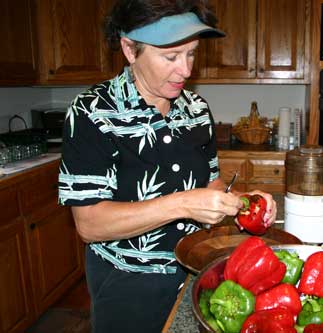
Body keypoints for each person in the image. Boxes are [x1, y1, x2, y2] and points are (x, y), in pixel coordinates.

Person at [57, 1, 277, 332]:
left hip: (195, 271)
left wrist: (245, 202)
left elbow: (211, 183)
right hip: (128, 285)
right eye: (171, 57)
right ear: (130, 50)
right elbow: (89, 224)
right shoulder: (92, 113)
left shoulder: (197, 109)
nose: (186, 70)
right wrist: (183, 203)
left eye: (191, 53)